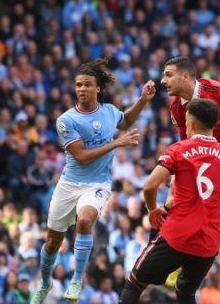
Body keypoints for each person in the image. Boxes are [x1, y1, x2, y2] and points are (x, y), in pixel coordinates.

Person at [31, 59, 156, 303]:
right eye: (78, 85)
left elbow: (126, 121)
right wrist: (116, 143)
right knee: (52, 241)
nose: (82, 89)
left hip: (97, 183)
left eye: (87, 84)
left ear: (98, 88)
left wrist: (143, 100)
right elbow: (82, 156)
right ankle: (45, 282)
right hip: (69, 184)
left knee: (85, 220)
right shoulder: (66, 120)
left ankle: (77, 279)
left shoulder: (109, 111)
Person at [118, 98, 220, 304]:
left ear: (190, 123)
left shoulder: (179, 150)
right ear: (214, 124)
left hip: (177, 235)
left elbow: (149, 186)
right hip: (208, 243)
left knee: (134, 283)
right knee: (185, 293)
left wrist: (153, 209)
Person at [161, 56, 220, 149]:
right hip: (213, 156)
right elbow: (187, 143)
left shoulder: (216, 90)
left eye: (169, 75)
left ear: (185, 77)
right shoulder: (175, 109)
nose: (163, 81)